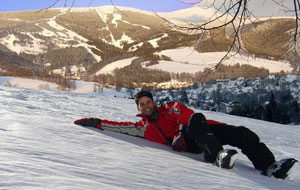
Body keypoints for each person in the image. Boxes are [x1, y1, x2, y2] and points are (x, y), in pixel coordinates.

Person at [74, 90, 297, 179]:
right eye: (142, 104)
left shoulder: (169, 108)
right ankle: (218, 156)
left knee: (241, 133)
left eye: (149, 102)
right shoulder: (144, 128)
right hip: (193, 143)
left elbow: (187, 113)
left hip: (202, 129)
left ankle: (269, 166)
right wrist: (97, 123)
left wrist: (181, 130)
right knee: (198, 123)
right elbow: (119, 126)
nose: (146, 106)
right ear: (138, 107)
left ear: (154, 102)